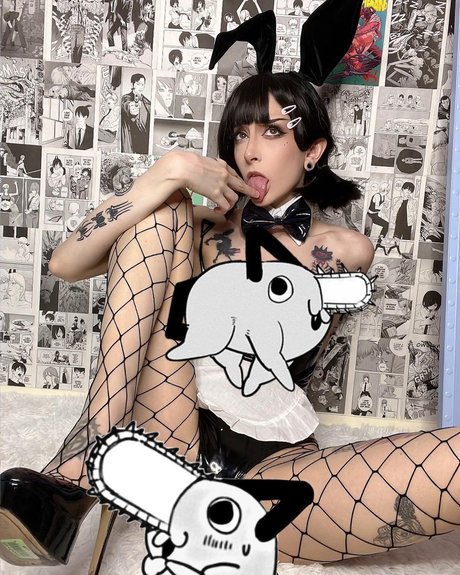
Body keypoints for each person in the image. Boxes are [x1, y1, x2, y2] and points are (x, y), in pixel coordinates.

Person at [3, 62, 460, 572]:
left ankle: (106, 476)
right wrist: (170, 170)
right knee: (160, 208)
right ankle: (80, 467)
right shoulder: (197, 226)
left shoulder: (346, 249)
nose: (250, 151)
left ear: (312, 151)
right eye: (240, 134)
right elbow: (66, 264)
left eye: (273, 131)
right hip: (172, 427)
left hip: (273, 455)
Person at [120, 73, 151, 154]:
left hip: (144, 139)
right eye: (138, 84)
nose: (140, 87)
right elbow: (126, 104)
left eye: (142, 85)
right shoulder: (126, 97)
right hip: (131, 137)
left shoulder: (147, 102)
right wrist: (131, 110)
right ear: (132, 84)